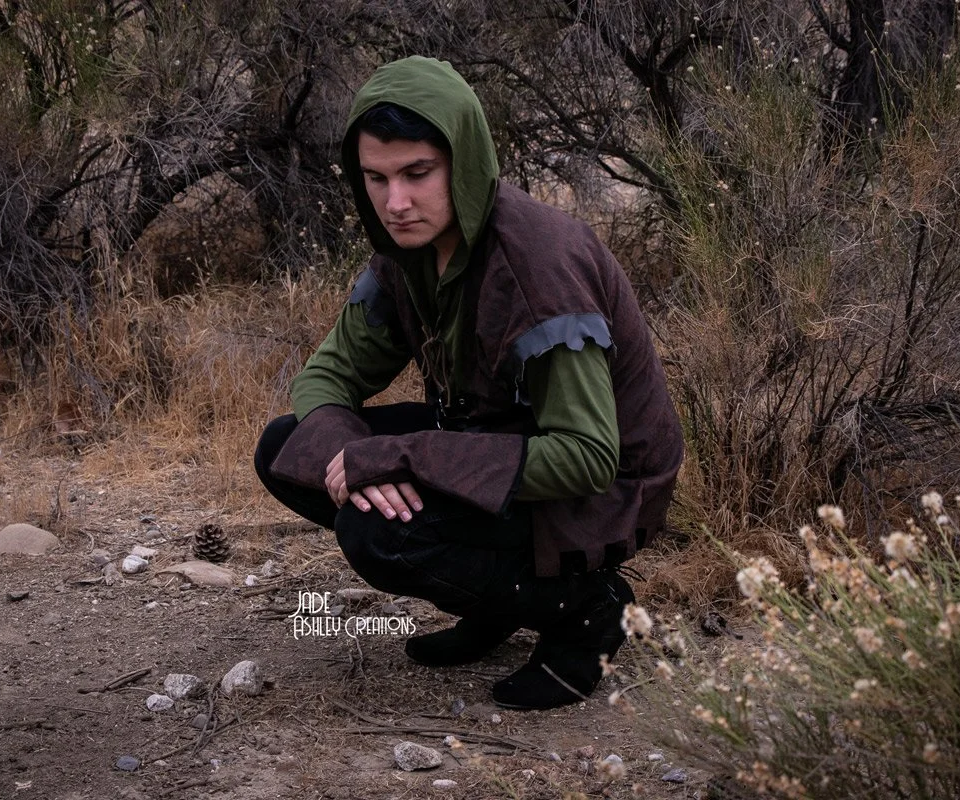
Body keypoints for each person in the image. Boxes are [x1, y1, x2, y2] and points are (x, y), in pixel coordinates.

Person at [255, 56, 684, 710]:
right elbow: (329, 375)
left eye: (417, 174)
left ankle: (586, 609)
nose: (395, 203)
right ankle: (497, 601)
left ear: (466, 161)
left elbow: (589, 457)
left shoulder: (535, 265)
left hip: (602, 490)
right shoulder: (408, 249)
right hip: (494, 442)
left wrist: (405, 457)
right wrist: (353, 453)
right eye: (376, 178)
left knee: (378, 532)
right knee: (288, 450)